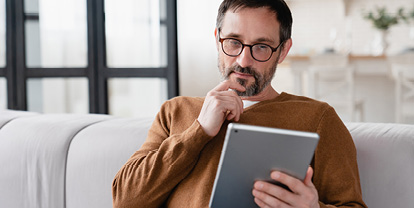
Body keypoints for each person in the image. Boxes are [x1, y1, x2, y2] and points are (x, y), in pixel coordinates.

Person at [112, 0, 367, 207]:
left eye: (261, 46)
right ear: (217, 39)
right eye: (233, 42)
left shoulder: (318, 118)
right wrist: (198, 131)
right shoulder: (176, 111)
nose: (244, 60)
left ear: (283, 50)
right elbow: (125, 200)